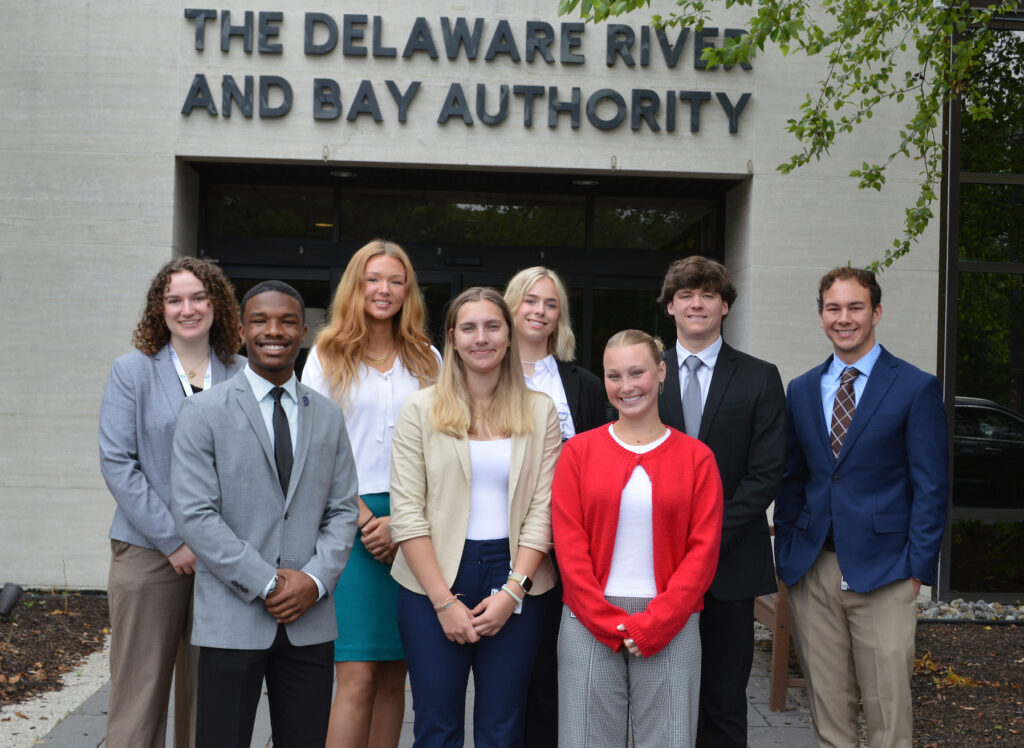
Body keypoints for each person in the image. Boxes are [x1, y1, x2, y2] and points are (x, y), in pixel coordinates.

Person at [170, 280, 360, 748]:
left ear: (304, 330)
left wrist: (312, 581)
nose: (273, 330)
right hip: (232, 615)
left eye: (287, 321)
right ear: (239, 331)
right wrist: (269, 582)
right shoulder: (201, 412)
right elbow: (195, 515)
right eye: (260, 320)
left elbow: (341, 511)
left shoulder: (330, 416)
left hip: (309, 618)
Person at [774, 267, 948, 748]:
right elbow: (794, 478)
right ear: (821, 315)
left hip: (887, 572)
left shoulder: (914, 387)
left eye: (855, 307)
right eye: (834, 308)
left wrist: (918, 568)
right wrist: (788, 553)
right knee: (829, 711)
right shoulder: (803, 389)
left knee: (888, 715)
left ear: (876, 312)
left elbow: (932, 486)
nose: (844, 318)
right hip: (815, 569)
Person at [388, 286, 562, 748]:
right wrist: (443, 602)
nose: (480, 337)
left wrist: (512, 592)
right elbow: (406, 513)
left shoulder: (540, 410)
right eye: (469, 327)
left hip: (515, 576)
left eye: (492, 326)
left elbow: (543, 511)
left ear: (508, 336)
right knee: (436, 726)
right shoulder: (419, 410)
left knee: (503, 727)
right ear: (452, 338)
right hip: (433, 578)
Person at [99, 257, 245, 748]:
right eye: (175, 299)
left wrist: (216, 544)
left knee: (211, 696)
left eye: (199, 297)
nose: (188, 308)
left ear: (216, 304)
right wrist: (173, 539)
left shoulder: (242, 374)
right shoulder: (133, 371)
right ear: (159, 310)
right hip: (148, 552)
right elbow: (118, 462)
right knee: (139, 693)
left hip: (221, 559)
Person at [553, 329, 724, 747]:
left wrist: (657, 622)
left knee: (668, 739)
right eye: (614, 376)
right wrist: (604, 618)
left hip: (671, 620)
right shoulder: (579, 452)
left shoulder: (696, 457)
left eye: (637, 372)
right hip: (588, 620)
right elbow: (568, 543)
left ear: (661, 372)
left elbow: (703, 551)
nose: (626, 387)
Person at [302, 240, 440, 748]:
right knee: (356, 673)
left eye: (395, 280)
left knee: (393, 673)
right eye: (373, 279)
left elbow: (441, 450)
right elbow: (315, 449)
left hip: (414, 522)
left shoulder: (429, 358)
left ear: (409, 291)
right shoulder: (325, 354)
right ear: (356, 286)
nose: (384, 290)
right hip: (345, 519)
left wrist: (403, 524)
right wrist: (364, 521)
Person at [655, 256, 785, 747]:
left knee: (725, 701)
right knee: (664, 698)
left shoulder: (759, 377)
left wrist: (705, 537)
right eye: (686, 295)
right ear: (670, 306)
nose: (697, 303)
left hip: (730, 566)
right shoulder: (646, 375)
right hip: (657, 566)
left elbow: (766, 473)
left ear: (725, 306)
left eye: (708, 294)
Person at [503, 266, 607, 747]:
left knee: (550, 666)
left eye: (549, 303)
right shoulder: (480, 372)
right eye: (529, 300)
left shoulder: (583, 385)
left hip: (566, 543)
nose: (539, 311)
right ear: (511, 305)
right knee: (504, 672)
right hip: (498, 536)